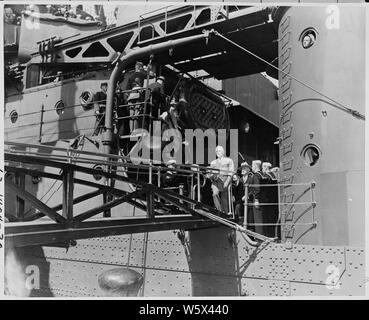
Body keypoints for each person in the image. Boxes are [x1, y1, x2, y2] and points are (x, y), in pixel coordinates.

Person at [209, 146, 234, 216]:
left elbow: (231, 172)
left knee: (225, 199)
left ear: (223, 152)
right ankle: (219, 211)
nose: (217, 152)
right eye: (216, 151)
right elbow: (210, 173)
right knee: (215, 194)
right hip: (216, 181)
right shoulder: (213, 162)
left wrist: (227, 182)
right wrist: (210, 176)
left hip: (225, 180)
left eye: (219, 151)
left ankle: (225, 213)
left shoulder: (229, 160)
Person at [126, 61, 147, 133]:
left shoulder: (130, 77)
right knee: (137, 114)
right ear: (140, 67)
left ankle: (131, 131)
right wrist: (146, 70)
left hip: (131, 96)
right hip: (138, 95)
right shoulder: (143, 75)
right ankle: (136, 131)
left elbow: (127, 90)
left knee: (131, 115)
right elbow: (152, 76)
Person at [262, 162, 279, 238]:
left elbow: (264, 189)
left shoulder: (266, 176)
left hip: (267, 200)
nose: (262, 169)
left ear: (265, 168)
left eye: (263, 167)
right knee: (273, 218)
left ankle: (268, 235)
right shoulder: (274, 175)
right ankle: (274, 235)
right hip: (274, 200)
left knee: (267, 219)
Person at [250, 160, 266, 235]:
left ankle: (259, 237)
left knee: (258, 219)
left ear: (255, 166)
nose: (251, 167)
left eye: (252, 166)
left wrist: (256, 199)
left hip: (258, 199)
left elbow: (257, 188)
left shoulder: (256, 176)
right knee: (263, 218)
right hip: (264, 199)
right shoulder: (263, 174)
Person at [239, 161, 254, 231]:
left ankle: (251, 234)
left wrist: (247, 195)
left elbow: (253, 189)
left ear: (248, 171)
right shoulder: (240, 180)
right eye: (242, 169)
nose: (242, 170)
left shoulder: (251, 179)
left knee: (250, 218)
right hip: (241, 202)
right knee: (241, 217)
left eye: (244, 169)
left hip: (249, 201)